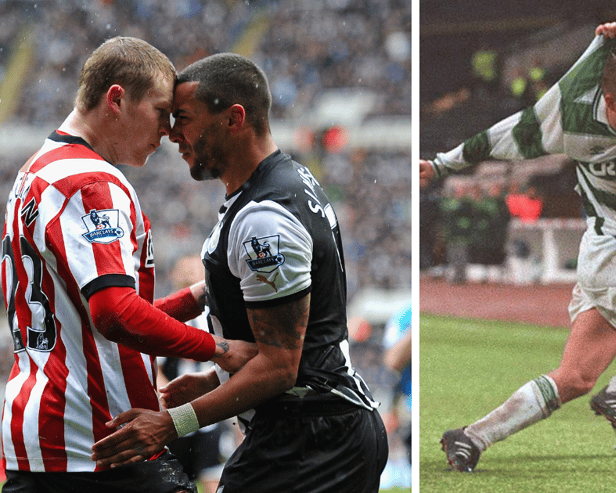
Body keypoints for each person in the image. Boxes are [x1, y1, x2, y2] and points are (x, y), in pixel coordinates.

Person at [91, 52, 389, 492]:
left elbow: (279, 365)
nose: (172, 134)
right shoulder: (278, 186)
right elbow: (267, 313)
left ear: (234, 119)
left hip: (312, 438)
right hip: (312, 429)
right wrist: (215, 377)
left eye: (185, 118)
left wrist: (172, 424)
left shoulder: (265, 217)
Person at [0, 37, 255, 493]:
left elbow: (92, 316)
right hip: (100, 436)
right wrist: (218, 349)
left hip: (40, 432)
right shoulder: (91, 181)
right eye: (160, 112)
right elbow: (114, 313)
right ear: (116, 98)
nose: (169, 131)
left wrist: (191, 301)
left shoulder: (35, 172)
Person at [419, 22, 616, 473]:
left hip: (600, 255)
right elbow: (506, 134)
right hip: (612, 256)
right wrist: (443, 163)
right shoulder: (570, 112)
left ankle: (472, 437)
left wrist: (443, 163)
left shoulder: (573, 110)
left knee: (577, 377)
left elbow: (511, 134)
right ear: (607, 100)